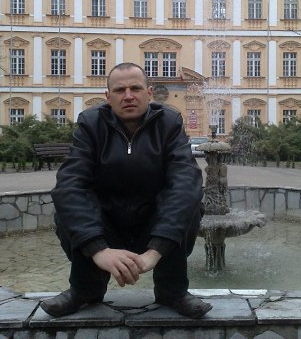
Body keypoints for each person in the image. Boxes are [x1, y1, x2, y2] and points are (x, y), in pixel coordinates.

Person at [40, 62, 212, 319]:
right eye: (120, 90)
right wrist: (98, 249)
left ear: (149, 93)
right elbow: (71, 184)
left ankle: (172, 291)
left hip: (152, 226)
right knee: (69, 204)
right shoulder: (90, 123)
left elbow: (185, 182)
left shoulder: (169, 123)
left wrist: (155, 251)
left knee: (189, 202)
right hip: (106, 224)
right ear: (108, 97)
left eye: (135, 88)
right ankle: (85, 290)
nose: (128, 96)